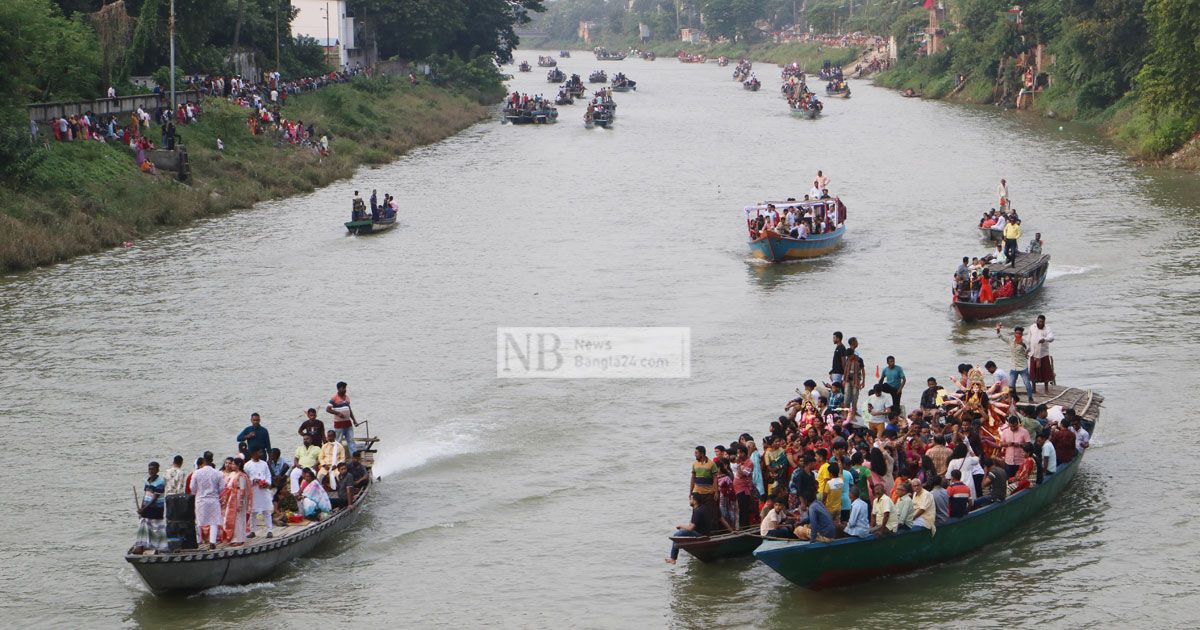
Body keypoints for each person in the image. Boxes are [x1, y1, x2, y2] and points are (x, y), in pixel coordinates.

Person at [666, 492, 727, 564]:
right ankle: (675, 554)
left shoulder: (698, 511)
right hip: (705, 533)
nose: (689, 501)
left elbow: (690, 528)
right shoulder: (702, 508)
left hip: (701, 535)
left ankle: (673, 558)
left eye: (691, 499)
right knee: (682, 532)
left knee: (676, 535)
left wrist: (680, 525)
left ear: (695, 501)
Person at [132, 462, 168, 554]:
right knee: (145, 526)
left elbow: (154, 499)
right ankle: (144, 545)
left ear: (157, 470)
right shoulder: (147, 481)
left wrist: (144, 509)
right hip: (147, 508)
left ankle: (159, 547)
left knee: (156, 528)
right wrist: (141, 507)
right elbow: (146, 495)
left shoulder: (160, 482)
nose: (151, 471)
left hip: (156, 509)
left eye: (153, 469)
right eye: (150, 469)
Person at [192, 455, 223, 549]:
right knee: (214, 521)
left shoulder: (197, 473)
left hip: (201, 499)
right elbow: (222, 487)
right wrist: (216, 493)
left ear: (204, 460)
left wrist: (197, 493)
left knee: (198, 521)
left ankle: (198, 541)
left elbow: (192, 488)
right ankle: (212, 542)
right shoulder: (218, 473)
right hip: (213, 499)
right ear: (212, 459)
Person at [996, 324, 1034, 402]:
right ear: (1014, 333)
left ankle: (1030, 397)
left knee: (1027, 383)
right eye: (1016, 333)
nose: (1017, 335)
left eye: (1019, 333)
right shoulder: (1011, 341)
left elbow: (1029, 349)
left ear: (1022, 334)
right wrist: (998, 330)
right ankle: (1015, 397)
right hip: (1014, 367)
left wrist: (1025, 349)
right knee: (1011, 385)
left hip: (1023, 367)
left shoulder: (1025, 342)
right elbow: (1001, 337)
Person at [243, 449, 274, 539]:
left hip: (264, 490)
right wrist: (253, 481)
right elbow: (245, 479)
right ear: (253, 453)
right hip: (254, 491)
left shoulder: (264, 463)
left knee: (266, 511)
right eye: (259, 452)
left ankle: (270, 531)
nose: (261, 454)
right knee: (253, 512)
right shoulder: (247, 465)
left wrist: (267, 483)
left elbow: (268, 475)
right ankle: (253, 531)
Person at [219, 457, 250, 545]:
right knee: (234, 519)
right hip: (232, 498)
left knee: (239, 518)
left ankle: (239, 539)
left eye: (233, 464)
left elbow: (242, 490)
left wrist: (240, 503)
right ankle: (234, 538)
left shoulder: (241, 476)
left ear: (238, 465)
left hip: (238, 498)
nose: (231, 465)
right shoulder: (234, 474)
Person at [326, 381, 359, 455]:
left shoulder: (347, 397)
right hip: (339, 424)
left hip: (348, 423)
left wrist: (354, 420)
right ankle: (337, 456)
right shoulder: (334, 398)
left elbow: (349, 409)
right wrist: (338, 413)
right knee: (338, 441)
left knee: (351, 440)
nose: (345, 390)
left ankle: (354, 456)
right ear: (338, 389)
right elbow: (328, 409)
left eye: (345, 388)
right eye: (343, 388)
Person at [1028, 315, 1055, 393]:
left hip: (1043, 354)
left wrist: (1045, 339)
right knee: (1033, 371)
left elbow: (1052, 337)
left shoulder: (1047, 328)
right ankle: (1034, 389)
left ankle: (1046, 389)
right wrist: (1027, 349)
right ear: (1036, 321)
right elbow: (1028, 339)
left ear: (1044, 322)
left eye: (1042, 322)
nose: (1040, 323)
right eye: (1039, 321)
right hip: (1033, 353)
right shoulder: (1032, 327)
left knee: (1045, 371)